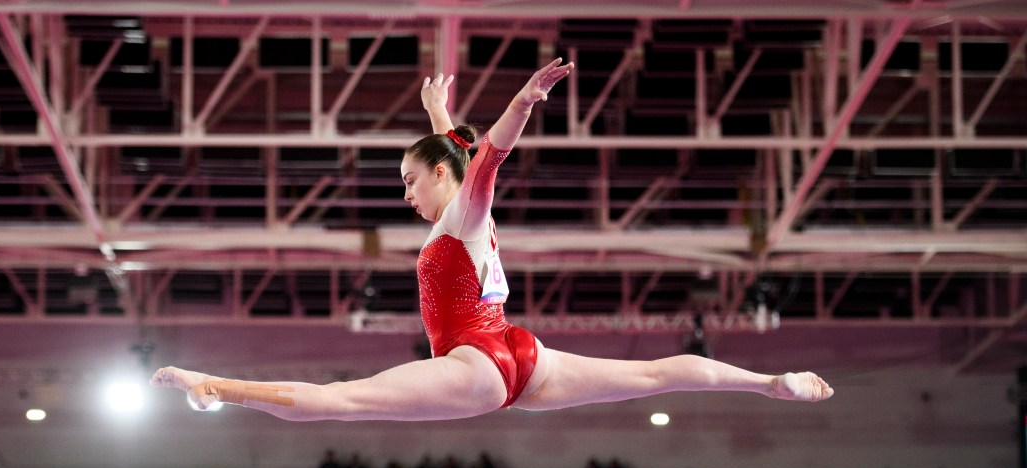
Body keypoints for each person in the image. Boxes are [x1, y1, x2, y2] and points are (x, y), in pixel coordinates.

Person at [151, 60, 833, 420]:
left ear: (440, 175)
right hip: (517, 353)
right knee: (655, 376)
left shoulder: (463, 214)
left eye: (410, 180)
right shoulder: (471, 223)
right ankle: (767, 384)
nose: (406, 194)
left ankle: (212, 385)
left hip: (475, 363)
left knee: (342, 401)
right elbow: (464, 162)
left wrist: (521, 103)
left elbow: (483, 163)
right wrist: (440, 115)